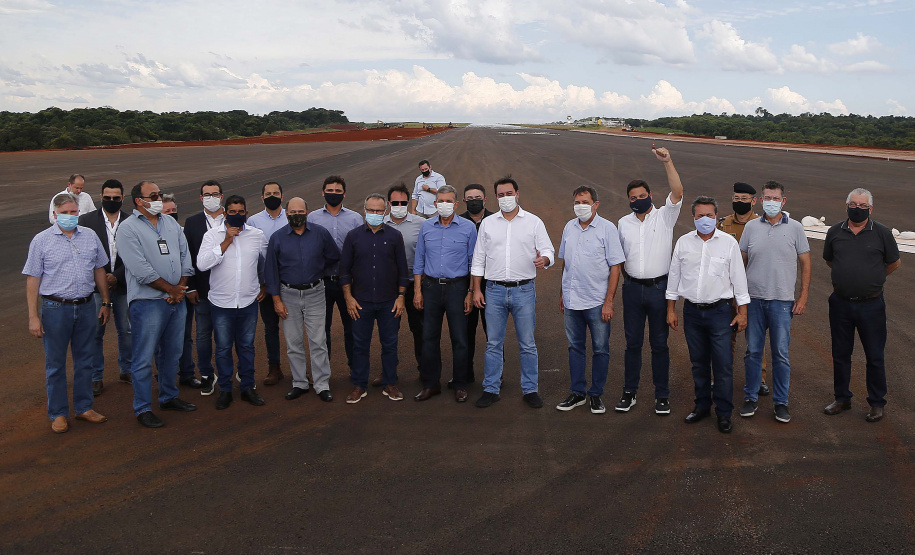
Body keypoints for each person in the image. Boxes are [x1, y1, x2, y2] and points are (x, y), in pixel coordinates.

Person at [24, 193, 111, 434]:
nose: (71, 217)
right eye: (65, 213)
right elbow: (33, 279)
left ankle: (84, 407)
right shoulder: (41, 241)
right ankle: (59, 413)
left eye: (74, 212)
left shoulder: (90, 236)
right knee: (55, 364)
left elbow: (99, 270)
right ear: (55, 214)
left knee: (85, 360)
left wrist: (106, 301)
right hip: (55, 308)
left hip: (85, 306)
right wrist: (33, 316)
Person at [116, 181, 197, 428]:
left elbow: (185, 255)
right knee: (143, 357)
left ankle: (168, 396)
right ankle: (142, 408)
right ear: (139, 201)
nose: (159, 198)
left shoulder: (170, 223)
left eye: (159, 194)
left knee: (172, 353)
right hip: (148, 302)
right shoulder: (127, 229)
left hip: (176, 299)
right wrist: (171, 289)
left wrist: (180, 288)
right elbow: (140, 269)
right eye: (153, 195)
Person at [666, 196, 749, 434]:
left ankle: (723, 413)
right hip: (692, 312)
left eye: (709, 215)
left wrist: (742, 312)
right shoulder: (683, 242)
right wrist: (671, 309)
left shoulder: (728, 243)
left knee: (722, 365)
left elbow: (739, 279)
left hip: (720, 313)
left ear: (716, 217)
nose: (705, 219)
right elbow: (674, 277)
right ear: (693, 217)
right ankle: (702, 406)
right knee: (699, 363)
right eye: (700, 215)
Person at [471, 177, 555, 409]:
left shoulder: (533, 222)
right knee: (493, 343)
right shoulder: (488, 224)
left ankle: (530, 389)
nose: (505, 198)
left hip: (523, 290)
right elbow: (478, 258)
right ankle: (491, 388)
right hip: (494, 290)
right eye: (500, 195)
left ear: (517, 194)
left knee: (527, 343)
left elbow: (548, 248)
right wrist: (477, 289)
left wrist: (545, 259)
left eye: (509, 193)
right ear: (496, 197)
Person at [823, 188, 900, 423]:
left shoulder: (882, 233)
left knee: (874, 356)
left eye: (863, 206)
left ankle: (877, 403)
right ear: (846, 205)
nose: (858, 209)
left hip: (871, 305)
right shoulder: (835, 231)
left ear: (871, 209)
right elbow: (830, 260)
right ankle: (842, 398)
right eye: (853, 204)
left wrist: (872, 279)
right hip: (841, 304)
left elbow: (893, 263)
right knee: (840, 354)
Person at [616, 147, 683, 415]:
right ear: (628, 200)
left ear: (651, 196)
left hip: (659, 289)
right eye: (634, 197)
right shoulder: (623, 223)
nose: (639, 200)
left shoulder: (665, 216)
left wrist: (668, 161)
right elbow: (619, 258)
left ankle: (662, 395)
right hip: (632, 289)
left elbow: (677, 192)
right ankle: (629, 392)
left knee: (659, 344)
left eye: (643, 196)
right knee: (632, 344)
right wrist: (628, 281)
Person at [738, 181, 810, 423]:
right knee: (753, 352)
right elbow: (741, 262)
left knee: (780, 354)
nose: (771, 202)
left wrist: (803, 296)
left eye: (776, 198)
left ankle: (781, 402)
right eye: (767, 197)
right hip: (754, 300)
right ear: (760, 200)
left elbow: (806, 263)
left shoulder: (797, 228)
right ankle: (751, 397)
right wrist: (740, 300)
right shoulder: (750, 227)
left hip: (782, 302)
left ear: (783, 201)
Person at [556, 186, 625, 414]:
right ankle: (577, 393)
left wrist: (609, 301)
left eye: (585, 202)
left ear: (596, 204)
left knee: (600, 349)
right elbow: (565, 262)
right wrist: (562, 293)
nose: (580, 206)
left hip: (596, 301)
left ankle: (596, 394)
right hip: (572, 299)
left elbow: (615, 266)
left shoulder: (607, 229)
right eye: (577, 202)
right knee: (575, 347)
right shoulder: (569, 227)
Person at [265, 197, 340, 403]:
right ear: (286, 214)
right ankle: (299, 382)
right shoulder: (277, 238)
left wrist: (316, 269)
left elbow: (333, 256)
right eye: (292, 212)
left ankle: (321, 383)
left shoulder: (320, 234)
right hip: (287, 294)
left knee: (318, 340)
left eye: (300, 211)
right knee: (293, 342)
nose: (296, 215)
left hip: (315, 292)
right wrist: (276, 300)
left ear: (307, 212)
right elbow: (271, 271)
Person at [197, 195, 268, 410]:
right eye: (232, 212)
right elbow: (202, 264)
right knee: (223, 348)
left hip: (248, 301)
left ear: (246, 213)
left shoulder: (257, 235)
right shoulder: (212, 236)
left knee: (246, 347)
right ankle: (226, 390)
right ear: (225, 213)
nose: (237, 215)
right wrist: (226, 240)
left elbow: (268, 262)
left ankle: (247, 387)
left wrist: (264, 286)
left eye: (241, 212)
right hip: (221, 303)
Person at [340, 194, 409, 404]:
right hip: (361, 302)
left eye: (379, 211)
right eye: (371, 210)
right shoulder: (353, 237)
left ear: (385, 211)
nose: (375, 214)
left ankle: (390, 383)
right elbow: (344, 271)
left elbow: (402, 270)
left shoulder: (395, 236)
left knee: (390, 343)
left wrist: (401, 297)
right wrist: (349, 298)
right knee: (360, 344)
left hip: (389, 301)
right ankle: (359, 385)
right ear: (364, 210)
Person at [413, 185, 477, 403]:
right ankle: (431, 384)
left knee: (459, 338)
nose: (444, 205)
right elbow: (419, 260)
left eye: (449, 201)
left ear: (456, 204)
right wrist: (417, 291)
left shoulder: (468, 228)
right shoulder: (426, 227)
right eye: (441, 201)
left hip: (457, 288)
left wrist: (470, 292)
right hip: (430, 288)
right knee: (429, 338)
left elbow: (473, 263)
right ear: (435, 203)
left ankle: (460, 384)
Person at [78, 179, 132, 396]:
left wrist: (115, 277)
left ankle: (127, 369)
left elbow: (136, 254)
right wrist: (101, 277)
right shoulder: (86, 220)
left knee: (126, 330)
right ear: (101, 197)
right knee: (95, 332)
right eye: (107, 197)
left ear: (122, 198)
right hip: (95, 287)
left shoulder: (131, 221)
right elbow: (82, 253)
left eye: (116, 198)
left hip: (123, 284)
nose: (111, 201)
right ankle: (95, 376)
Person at [308, 176, 364, 375]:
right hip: (321, 282)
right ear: (323, 192)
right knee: (321, 330)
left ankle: (355, 369)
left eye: (338, 190)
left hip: (348, 283)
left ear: (344, 194)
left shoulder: (355, 218)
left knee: (353, 328)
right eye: (329, 190)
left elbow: (360, 249)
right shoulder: (312, 218)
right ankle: (322, 372)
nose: (333, 193)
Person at [719, 181, 770, 396]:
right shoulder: (722, 224)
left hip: (752, 292)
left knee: (755, 338)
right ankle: (723, 377)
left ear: (754, 201)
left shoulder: (761, 225)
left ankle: (760, 378)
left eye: (744, 199)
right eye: (736, 198)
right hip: (726, 291)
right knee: (724, 337)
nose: (739, 202)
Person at [373, 183, 424, 387]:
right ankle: (388, 374)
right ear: (388, 204)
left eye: (404, 202)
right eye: (396, 203)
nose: (400, 206)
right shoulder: (378, 223)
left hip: (415, 285)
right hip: (388, 287)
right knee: (388, 333)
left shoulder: (421, 223)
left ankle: (425, 371)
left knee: (420, 330)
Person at [182, 180, 225, 393]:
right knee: (203, 335)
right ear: (201, 198)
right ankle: (207, 373)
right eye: (207, 194)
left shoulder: (233, 218)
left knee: (227, 335)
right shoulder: (192, 222)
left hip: (228, 289)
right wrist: (189, 287)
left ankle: (231, 373)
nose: (211, 198)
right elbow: (187, 255)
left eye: (215, 194)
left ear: (222, 196)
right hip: (203, 290)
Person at [247, 181, 287, 386]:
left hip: (290, 282)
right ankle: (274, 367)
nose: (272, 196)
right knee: (270, 327)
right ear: (262, 198)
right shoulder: (253, 221)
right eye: (268, 193)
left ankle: (299, 369)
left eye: (276, 192)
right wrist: (262, 284)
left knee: (295, 328)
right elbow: (252, 256)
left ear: (282, 195)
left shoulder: (292, 217)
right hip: (266, 284)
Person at [458, 184, 494, 385]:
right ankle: (466, 372)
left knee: (493, 332)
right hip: (465, 286)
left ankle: (497, 372)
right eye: (469, 197)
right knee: (465, 332)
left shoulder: (495, 220)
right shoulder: (459, 222)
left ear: (485, 199)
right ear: (464, 201)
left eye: (477, 197)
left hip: (491, 285)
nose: (474, 200)